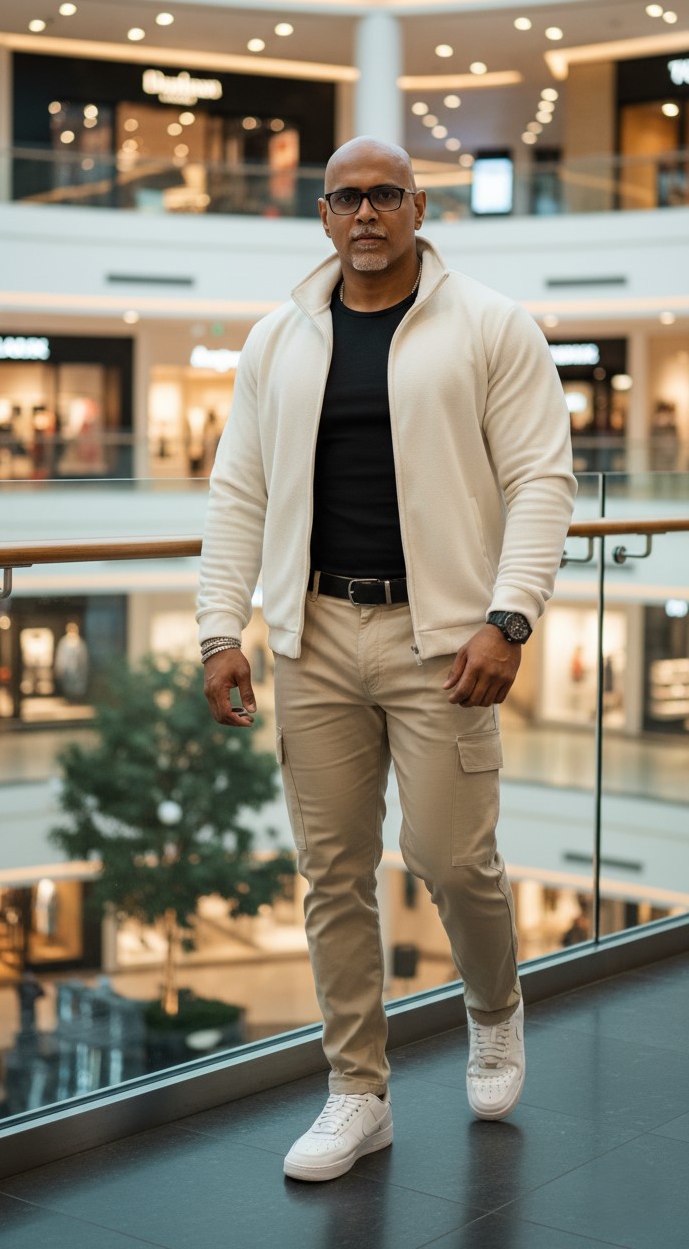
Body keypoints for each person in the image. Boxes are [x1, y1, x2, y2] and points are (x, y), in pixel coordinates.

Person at [197, 136, 576, 1181]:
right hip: (312, 636)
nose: (363, 212)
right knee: (331, 871)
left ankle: (492, 1009)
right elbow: (237, 491)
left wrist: (509, 616)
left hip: (441, 639)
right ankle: (355, 1090)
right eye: (344, 197)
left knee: (454, 860)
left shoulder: (489, 325)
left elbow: (542, 478)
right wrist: (220, 628)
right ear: (323, 214)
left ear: (417, 207)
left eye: (383, 195)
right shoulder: (280, 337)